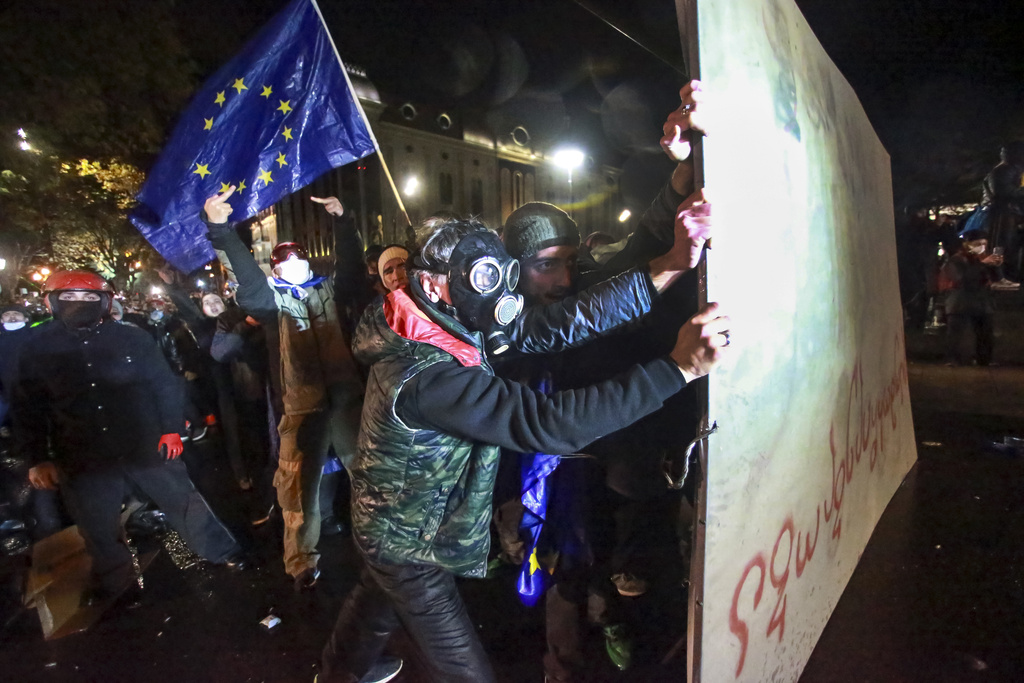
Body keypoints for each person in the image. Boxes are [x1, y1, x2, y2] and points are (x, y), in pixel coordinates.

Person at [314, 215, 730, 683]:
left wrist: (669, 266)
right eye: (479, 279)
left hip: (388, 521)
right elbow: (547, 423)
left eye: (495, 273)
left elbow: (563, 321)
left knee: (374, 597)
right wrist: (676, 370)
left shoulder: (437, 317)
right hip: (409, 541)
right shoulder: (424, 375)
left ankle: (337, 674)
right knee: (464, 670)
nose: (494, 294)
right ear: (431, 284)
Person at [497, 80, 710, 679]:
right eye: (546, 265)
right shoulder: (503, 319)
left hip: (599, 454)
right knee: (561, 566)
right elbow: (571, 322)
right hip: (541, 463)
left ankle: (608, 615)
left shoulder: (582, 278)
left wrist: (685, 164)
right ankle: (559, 664)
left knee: (600, 556)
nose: (565, 277)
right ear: (515, 269)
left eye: (569, 261)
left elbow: (643, 238)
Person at [13, 271, 246, 607]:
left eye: (90, 298)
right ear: (51, 301)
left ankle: (221, 550)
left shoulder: (132, 339)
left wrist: (170, 429)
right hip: (82, 453)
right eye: (70, 298)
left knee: (184, 501)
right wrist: (37, 458)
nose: (80, 304)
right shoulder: (37, 348)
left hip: (144, 441)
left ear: (106, 302)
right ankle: (118, 583)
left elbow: (163, 384)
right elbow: (28, 408)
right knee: (97, 527)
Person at [203, 190, 365, 590]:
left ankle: (384, 545)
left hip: (347, 401)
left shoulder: (328, 291)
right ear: (274, 269)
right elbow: (248, 279)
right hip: (301, 408)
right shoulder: (269, 303)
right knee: (298, 490)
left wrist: (343, 222)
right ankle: (301, 562)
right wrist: (221, 231)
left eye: (300, 257)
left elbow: (354, 271)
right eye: (285, 260)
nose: (295, 265)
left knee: (371, 475)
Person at [942, 229, 1003, 366]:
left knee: (985, 332)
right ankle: (952, 359)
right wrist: (983, 264)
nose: (981, 247)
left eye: (984, 244)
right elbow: (961, 278)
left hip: (982, 300)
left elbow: (996, 278)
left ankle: (984, 359)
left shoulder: (983, 259)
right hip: (960, 301)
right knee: (956, 333)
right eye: (978, 243)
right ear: (967, 244)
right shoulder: (956, 259)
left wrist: (996, 266)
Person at [980, 141, 1024, 283]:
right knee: (999, 244)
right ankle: (997, 275)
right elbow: (1002, 192)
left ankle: (1006, 274)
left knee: (1008, 244)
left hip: (1010, 213)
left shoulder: (1011, 169)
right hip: (1001, 213)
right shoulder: (1003, 170)